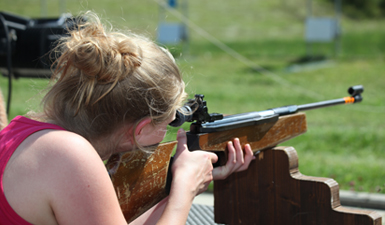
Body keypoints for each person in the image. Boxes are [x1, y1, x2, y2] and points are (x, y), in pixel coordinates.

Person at [0, 11, 254, 225]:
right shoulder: (69, 155)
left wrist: (187, 184)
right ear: (141, 129)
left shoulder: (26, 133)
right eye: (169, 120)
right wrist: (184, 190)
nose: (169, 128)